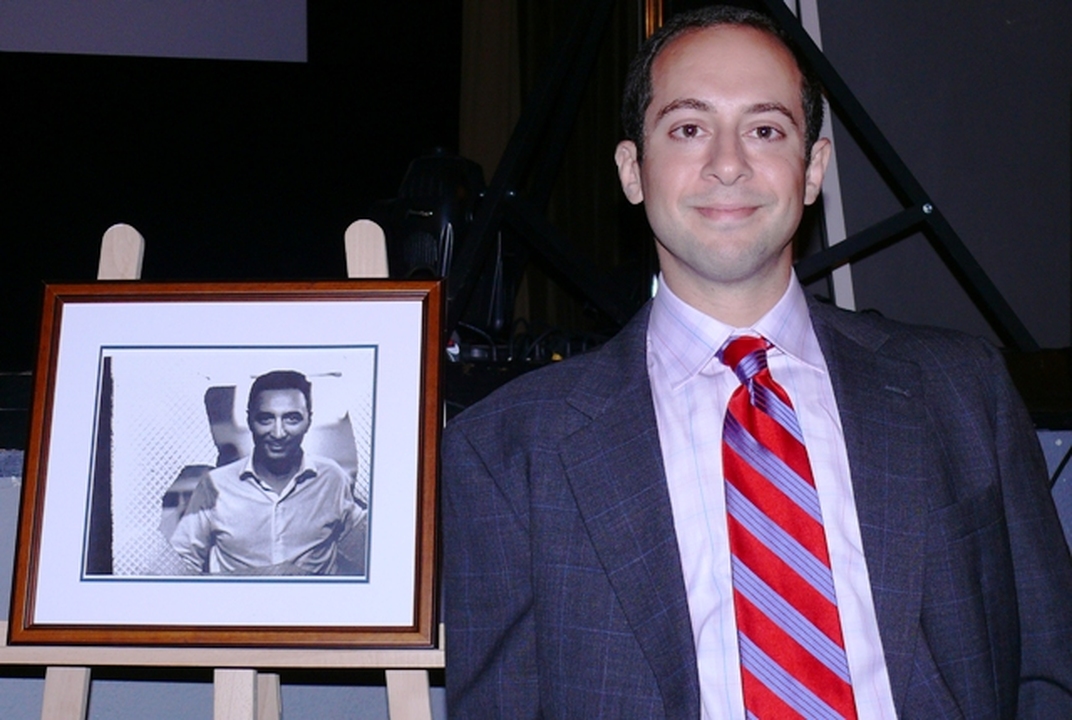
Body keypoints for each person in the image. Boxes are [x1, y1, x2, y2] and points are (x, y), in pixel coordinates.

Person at [441, 5, 1072, 718]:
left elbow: (1051, 671)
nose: (728, 163)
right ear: (632, 171)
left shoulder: (961, 391)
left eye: (765, 130)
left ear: (813, 169)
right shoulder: (507, 451)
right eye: (689, 128)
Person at [169, 370, 367, 576]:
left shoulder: (331, 478)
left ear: (309, 420)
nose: (278, 433)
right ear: (250, 420)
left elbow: (368, 554)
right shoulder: (215, 485)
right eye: (266, 419)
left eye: (292, 419)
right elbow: (178, 565)